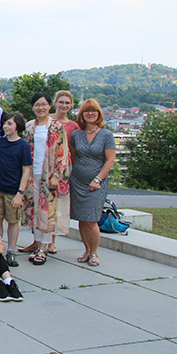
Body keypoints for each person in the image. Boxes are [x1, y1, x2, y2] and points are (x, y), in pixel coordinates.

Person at [19, 92, 70, 265]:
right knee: (35, 210)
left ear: (49, 106)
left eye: (43, 104)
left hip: (49, 176)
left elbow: (63, 152)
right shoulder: (29, 127)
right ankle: (36, 243)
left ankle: (43, 248)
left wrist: (57, 175)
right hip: (32, 175)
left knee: (47, 212)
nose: (40, 108)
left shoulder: (56, 127)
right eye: (37, 105)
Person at [69, 99, 116, 267]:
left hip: (97, 183)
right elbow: (74, 157)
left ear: (99, 113)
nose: (90, 113)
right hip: (78, 182)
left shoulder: (106, 134)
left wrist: (97, 179)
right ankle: (87, 250)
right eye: (86, 111)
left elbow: (110, 160)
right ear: (82, 115)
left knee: (91, 219)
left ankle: (95, 252)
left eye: (93, 111)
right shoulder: (77, 134)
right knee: (82, 219)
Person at [0, 112, 31, 268]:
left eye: (10, 123)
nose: (6, 126)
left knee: (13, 220)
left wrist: (20, 193)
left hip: (13, 189)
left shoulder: (24, 146)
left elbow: (26, 170)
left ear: (17, 126)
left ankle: (11, 250)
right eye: (5, 123)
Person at [49, 90, 79, 253]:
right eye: (61, 102)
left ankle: (52, 241)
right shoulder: (46, 119)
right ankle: (37, 241)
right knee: (40, 204)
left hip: (62, 168)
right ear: (55, 102)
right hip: (46, 165)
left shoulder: (73, 126)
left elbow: (73, 152)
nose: (64, 105)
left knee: (57, 205)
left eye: (67, 103)